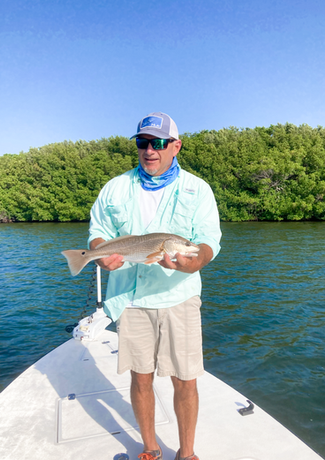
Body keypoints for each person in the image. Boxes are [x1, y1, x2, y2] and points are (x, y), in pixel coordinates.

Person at [88, 112, 222, 460]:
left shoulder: (198, 188)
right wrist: (100, 254)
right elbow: (98, 231)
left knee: (185, 380)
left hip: (180, 296)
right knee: (141, 377)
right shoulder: (115, 187)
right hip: (130, 298)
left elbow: (207, 241)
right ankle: (150, 447)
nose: (150, 150)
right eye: (143, 142)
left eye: (159, 143)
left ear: (175, 146)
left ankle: (187, 452)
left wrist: (197, 259)